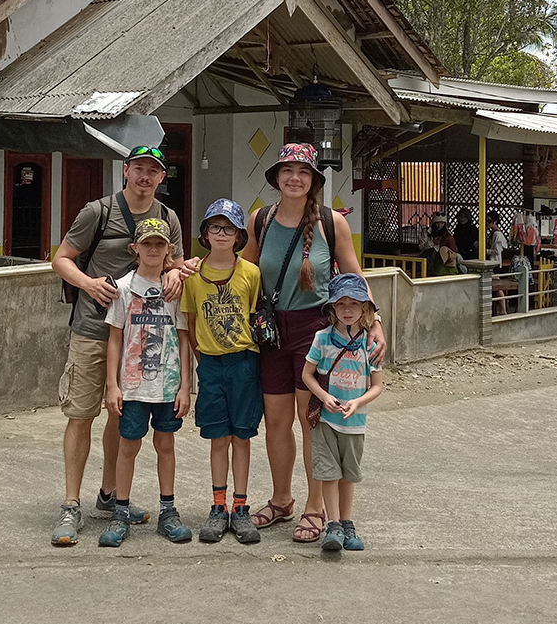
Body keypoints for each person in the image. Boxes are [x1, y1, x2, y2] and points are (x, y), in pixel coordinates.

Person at [49, 144, 197, 547]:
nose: (145, 176)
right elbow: (61, 258)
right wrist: (88, 283)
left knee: (120, 416)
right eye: (139, 169)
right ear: (125, 171)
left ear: (162, 177)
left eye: (154, 170)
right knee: (81, 414)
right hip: (94, 329)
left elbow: (176, 264)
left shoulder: (168, 219)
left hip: (143, 339)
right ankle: (70, 504)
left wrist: (177, 274)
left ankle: (111, 495)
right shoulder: (98, 212)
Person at [242, 142, 386, 544]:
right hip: (271, 330)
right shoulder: (261, 220)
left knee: (312, 423)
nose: (294, 178)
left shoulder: (330, 222)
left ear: (313, 181)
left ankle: (315, 506)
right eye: (287, 171)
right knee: (276, 421)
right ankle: (281, 498)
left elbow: (354, 276)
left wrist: (376, 323)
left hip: (314, 329)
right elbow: (243, 270)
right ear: (276, 178)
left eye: (302, 172)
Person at [98, 217, 193, 547]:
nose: (153, 249)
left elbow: (184, 339)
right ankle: (120, 512)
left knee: (166, 445)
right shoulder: (123, 288)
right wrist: (112, 384)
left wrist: (185, 385)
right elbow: (114, 338)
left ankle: (168, 510)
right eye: (147, 244)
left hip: (167, 386)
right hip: (133, 386)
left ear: (170, 250)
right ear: (134, 248)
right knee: (128, 446)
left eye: (160, 244)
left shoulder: (175, 290)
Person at [180, 199, 264, 545]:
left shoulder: (250, 273)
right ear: (205, 233)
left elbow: (256, 316)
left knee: (242, 436)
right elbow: (189, 325)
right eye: (214, 227)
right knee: (218, 437)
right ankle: (218, 506)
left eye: (228, 228)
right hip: (211, 365)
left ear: (239, 235)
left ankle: (240, 507)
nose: (221, 234)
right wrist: (198, 366)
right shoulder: (193, 277)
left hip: (244, 362)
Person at [302, 273, 384, 553]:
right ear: (332, 308)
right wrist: (324, 397)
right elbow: (307, 375)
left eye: (354, 304)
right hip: (325, 420)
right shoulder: (322, 338)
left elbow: (377, 386)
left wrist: (358, 403)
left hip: (355, 421)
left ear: (365, 309)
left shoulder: (369, 345)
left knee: (349, 474)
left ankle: (347, 522)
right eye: (341, 304)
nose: (347, 310)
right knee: (327, 473)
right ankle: (333, 524)